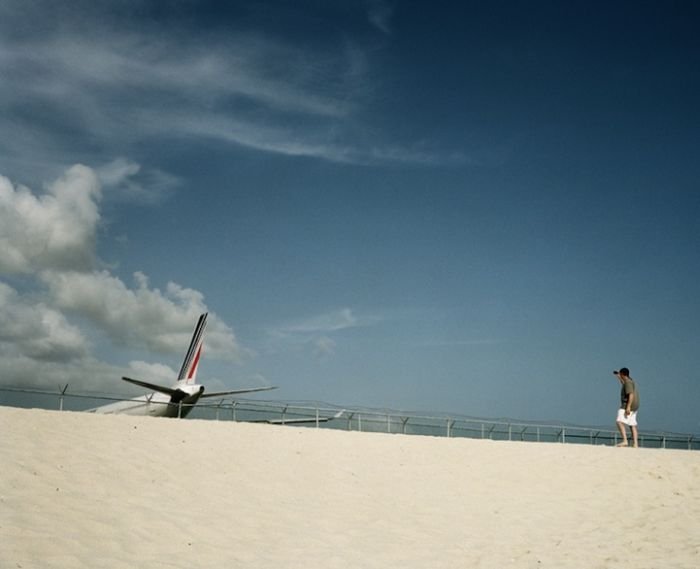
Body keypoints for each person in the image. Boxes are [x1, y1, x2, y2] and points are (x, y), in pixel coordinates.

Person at [613, 367, 640, 447]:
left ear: (622, 374)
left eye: (620, 374)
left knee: (619, 421)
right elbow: (623, 383)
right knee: (632, 424)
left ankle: (625, 440)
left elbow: (630, 394)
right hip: (635, 405)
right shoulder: (630, 381)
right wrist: (618, 377)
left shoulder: (628, 382)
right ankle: (635, 443)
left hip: (628, 405)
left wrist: (628, 407)